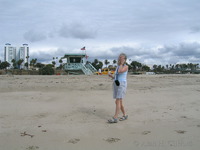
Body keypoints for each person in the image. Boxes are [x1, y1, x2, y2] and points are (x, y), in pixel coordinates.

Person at [108, 53, 128, 123]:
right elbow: (117, 76)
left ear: (125, 60)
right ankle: (125, 115)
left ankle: (115, 117)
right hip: (117, 83)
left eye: (122, 58)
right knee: (118, 101)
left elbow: (120, 71)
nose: (120, 59)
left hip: (122, 84)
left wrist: (121, 64)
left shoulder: (125, 66)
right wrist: (111, 76)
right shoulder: (118, 66)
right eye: (119, 58)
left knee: (118, 100)